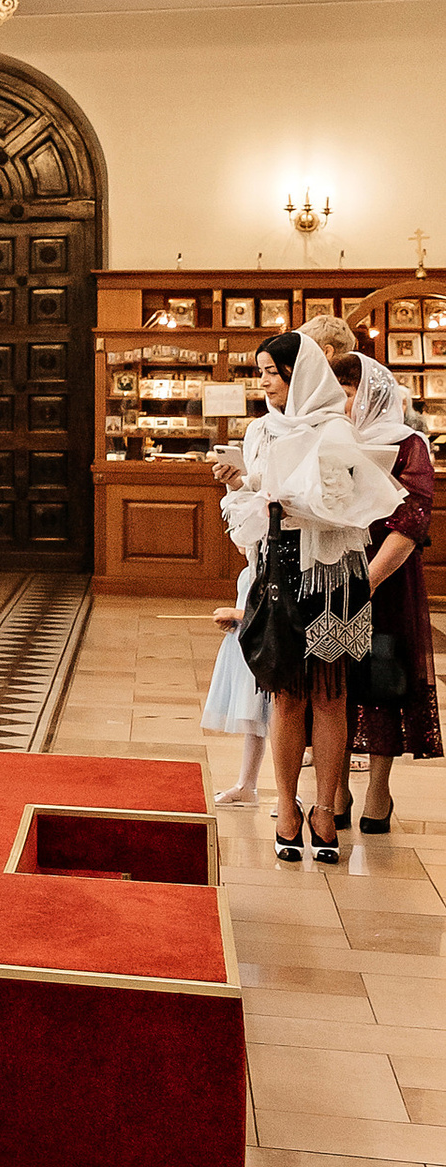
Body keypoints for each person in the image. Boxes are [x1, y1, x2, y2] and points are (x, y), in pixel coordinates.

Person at [238, 332, 400, 865]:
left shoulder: (337, 429)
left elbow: (355, 509)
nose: (262, 381)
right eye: (259, 371)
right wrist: (246, 486)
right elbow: (256, 513)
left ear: (299, 375)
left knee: (331, 695)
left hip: (336, 574)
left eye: (271, 372)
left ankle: (325, 808)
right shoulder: (259, 429)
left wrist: (290, 502)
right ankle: (286, 806)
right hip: (282, 570)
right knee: (286, 694)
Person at [336, 351, 436, 833]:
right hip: (334, 573)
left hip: (387, 579)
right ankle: (335, 786)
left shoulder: (407, 443)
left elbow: (412, 519)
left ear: (371, 393)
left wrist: (368, 583)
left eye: (349, 394)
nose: (342, 404)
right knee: (334, 678)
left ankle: (379, 789)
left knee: (382, 676)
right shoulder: (329, 439)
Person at [201, 386, 274, 808]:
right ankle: (247, 782)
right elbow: (247, 543)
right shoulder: (261, 435)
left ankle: (296, 788)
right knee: (254, 689)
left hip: (282, 581)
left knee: (281, 693)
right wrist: (237, 488)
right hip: (257, 575)